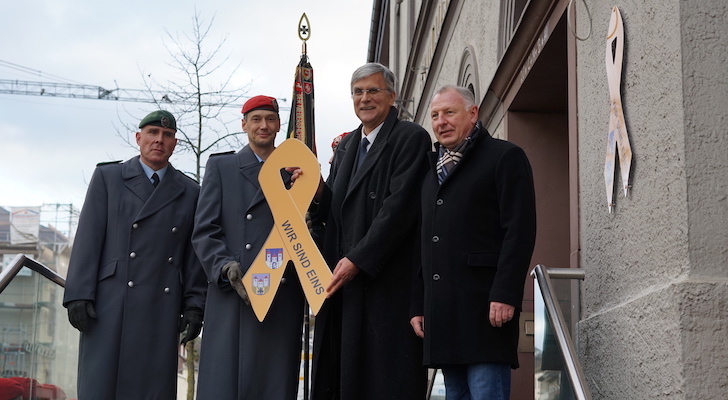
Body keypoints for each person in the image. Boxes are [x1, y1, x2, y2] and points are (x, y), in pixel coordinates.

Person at [62, 110, 207, 400]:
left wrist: (195, 304)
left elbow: (193, 254)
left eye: (166, 136)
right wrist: (78, 293)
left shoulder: (191, 191)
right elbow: (89, 237)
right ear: (139, 138)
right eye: (152, 134)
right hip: (110, 304)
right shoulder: (109, 177)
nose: (159, 140)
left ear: (174, 144)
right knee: (101, 385)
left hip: (162, 305)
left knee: (151, 388)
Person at [307, 62, 430, 399]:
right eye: (358, 92)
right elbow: (335, 209)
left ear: (392, 96)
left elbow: (399, 210)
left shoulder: (410, 138)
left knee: (384, 380)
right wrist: (316, 188)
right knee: (344, 378)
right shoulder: (346, 146)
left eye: (373, 91)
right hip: (345, 286)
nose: (365, 99)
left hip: (385, 284)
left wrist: (358, 259)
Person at [410, 85, 536, 400]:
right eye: (435, 115)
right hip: (443, 313)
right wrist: (418, 304)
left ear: (473, 113)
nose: (441, 122)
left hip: (486, 308)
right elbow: (422, 244)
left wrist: (506, 293)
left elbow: (519, 231)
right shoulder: (430, 176)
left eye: (450, 113)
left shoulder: (505, 157)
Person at [192, 95, 305, 399]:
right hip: (234, 293)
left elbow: (310, 227)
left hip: (281, 294)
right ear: (244, 125)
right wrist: (224, 267)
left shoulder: (297, 170)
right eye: (256, 119)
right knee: (226, 385)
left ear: (280, 124)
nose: (263, 126)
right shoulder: (221, 166)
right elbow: (204, 231)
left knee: (273, 385)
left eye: (270, 119)